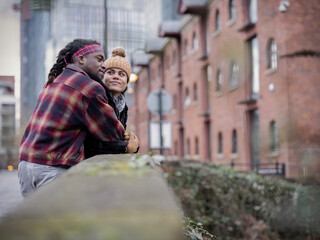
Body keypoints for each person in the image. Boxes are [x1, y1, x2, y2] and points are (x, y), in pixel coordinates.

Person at [18, 39, 139, 197]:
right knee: (61, 221)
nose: (104, 65)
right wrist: (129, 146)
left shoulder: (54, 80)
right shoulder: (89, 87)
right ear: (81, 59)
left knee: (35, 221)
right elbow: (113, 134)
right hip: (53, 167)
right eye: (99, 59)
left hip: (26, 164)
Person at [84, 46, 139, 158]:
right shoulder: (98, 98)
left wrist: (130, 141)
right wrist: (126, 147)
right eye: (110, 72)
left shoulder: (122, 105)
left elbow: (114, 139)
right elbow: (92, 142)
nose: (116, 77)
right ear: (103, 76)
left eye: (121, 74)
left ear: (126, 81)